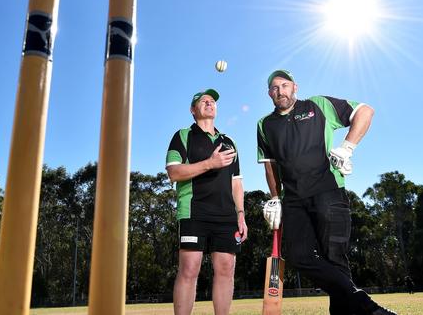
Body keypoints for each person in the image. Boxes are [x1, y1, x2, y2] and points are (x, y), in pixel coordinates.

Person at [258, 70, 396, 315]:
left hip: (328, 191)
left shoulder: (318, 105)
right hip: (293, 200)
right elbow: (270, 165)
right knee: (298, 256)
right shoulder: (265, 124)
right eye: (275, 87)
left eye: (285, 85)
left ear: (295, 87)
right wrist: (275, 197)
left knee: (335, 259)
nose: (280, 91)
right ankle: (368, 307)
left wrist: (347, 148)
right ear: (269, 93)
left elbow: (365, 111)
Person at [166, 89, 248, 315]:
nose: (209, 103)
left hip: (226, 216)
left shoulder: (229, 142)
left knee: (226, 269)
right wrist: (210, 163)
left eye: (212, 101)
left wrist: (240, 214)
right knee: (189, 270)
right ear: (193, 110)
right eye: (203, 101)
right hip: (194, 212)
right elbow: (173, 172)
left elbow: (236, 183)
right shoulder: (183, 135)